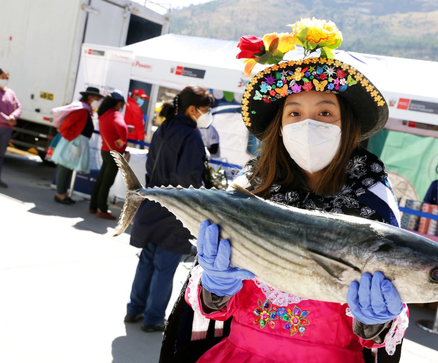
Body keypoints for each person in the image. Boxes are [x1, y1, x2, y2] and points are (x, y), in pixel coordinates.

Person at [160, 19, 408, 363]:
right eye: (294, 113)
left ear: (347, 123)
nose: (309, 124)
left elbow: (381, 334)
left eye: (325, 111)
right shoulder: (249, 191)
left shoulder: (373, 205)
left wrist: (375, 321)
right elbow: (210, 311)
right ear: (279, 127)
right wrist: (214, 287)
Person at [125, 86, 213, 333]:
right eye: (206, 110)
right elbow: (188, 179)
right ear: (192, 109)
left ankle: (134, 310)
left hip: (153, 202)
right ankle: (153, 318)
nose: (207, 115)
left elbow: (151, 165)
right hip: (175, 211)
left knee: (147, 262)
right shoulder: (191, 135)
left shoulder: (165, 127)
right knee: (165, 267)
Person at [52, 87, 103, 204]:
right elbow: (66, 124)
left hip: (75, 141)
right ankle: (59, 194)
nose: (98, 101)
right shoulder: (81, 110)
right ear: (89, 97)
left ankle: (63, 193)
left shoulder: (85, 110)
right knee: (65, 168)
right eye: (97, 98)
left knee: (69, 168)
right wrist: (69, 136)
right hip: (73, 142)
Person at [89, 90, 128, 220]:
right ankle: (102, 209)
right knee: (107, 182)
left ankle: (93, 206)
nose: (121, 107)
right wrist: (123, 138)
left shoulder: (105, 114)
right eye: (121, 104)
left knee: (101, 180)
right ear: (117, 103)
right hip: (114, 153)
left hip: (106, 150)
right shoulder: (115, 114)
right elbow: (121, 127)